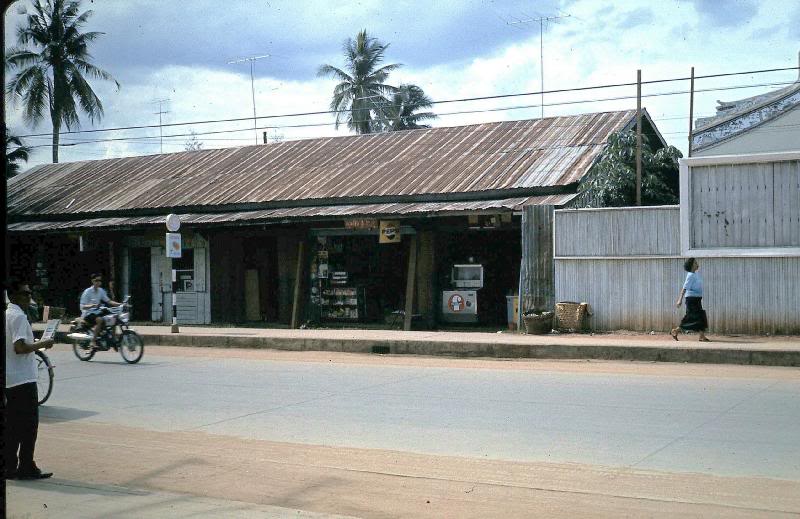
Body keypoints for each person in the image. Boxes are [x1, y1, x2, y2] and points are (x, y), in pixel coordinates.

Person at [5, 278, 55, 480]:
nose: (29, 297)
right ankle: (26, 466)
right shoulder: (18, 317)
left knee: (13, 426)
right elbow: (19, 348)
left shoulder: (8, 314)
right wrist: (41, 344)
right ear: (15, 296)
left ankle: (10, 466)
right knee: (28, 426)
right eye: (26, 293)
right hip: (23, 380)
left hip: (12, 378)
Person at [671, 258, 710, 342]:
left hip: (696, 299)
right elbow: (684, 288)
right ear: (692, 265)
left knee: (700, 316)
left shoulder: (695, 274)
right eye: (695, 263)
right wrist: (679, 300)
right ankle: (676, 331)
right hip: (691, 300)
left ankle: (701, 336)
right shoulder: (690, 275)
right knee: (691, 317)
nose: (697, 264)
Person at [79, 273, 121, 346]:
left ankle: (113, 339)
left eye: (100, 280)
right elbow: (82, 306)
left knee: (114, 317)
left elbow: (108, 301)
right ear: (92, 281)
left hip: (97, 312)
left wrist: (120, 304)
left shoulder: (101, 290)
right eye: (96, 280)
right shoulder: (87, 292)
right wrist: (92, 305)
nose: (98, 282)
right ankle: (93, 341)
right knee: (100, 320)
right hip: (87, 313)